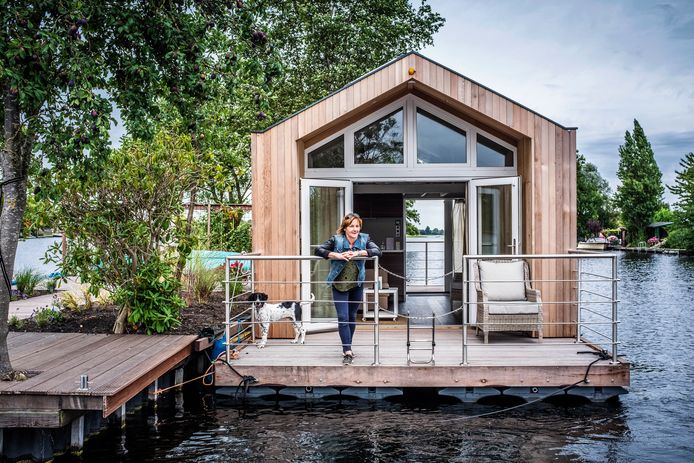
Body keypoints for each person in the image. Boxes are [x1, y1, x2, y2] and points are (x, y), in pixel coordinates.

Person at [315, 212, 382, 365]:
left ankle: (348, 346)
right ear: (345, 228)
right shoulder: (336, 240)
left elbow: (378, 251)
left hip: (356, 284)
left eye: (357, 226)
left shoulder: (365, 239)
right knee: (343, 317)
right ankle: (347, 351)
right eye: (351, 226)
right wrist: (335, 255)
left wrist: (359, 252)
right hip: (339, 284)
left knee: (352, 317)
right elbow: (318, 250)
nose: (355, 229)